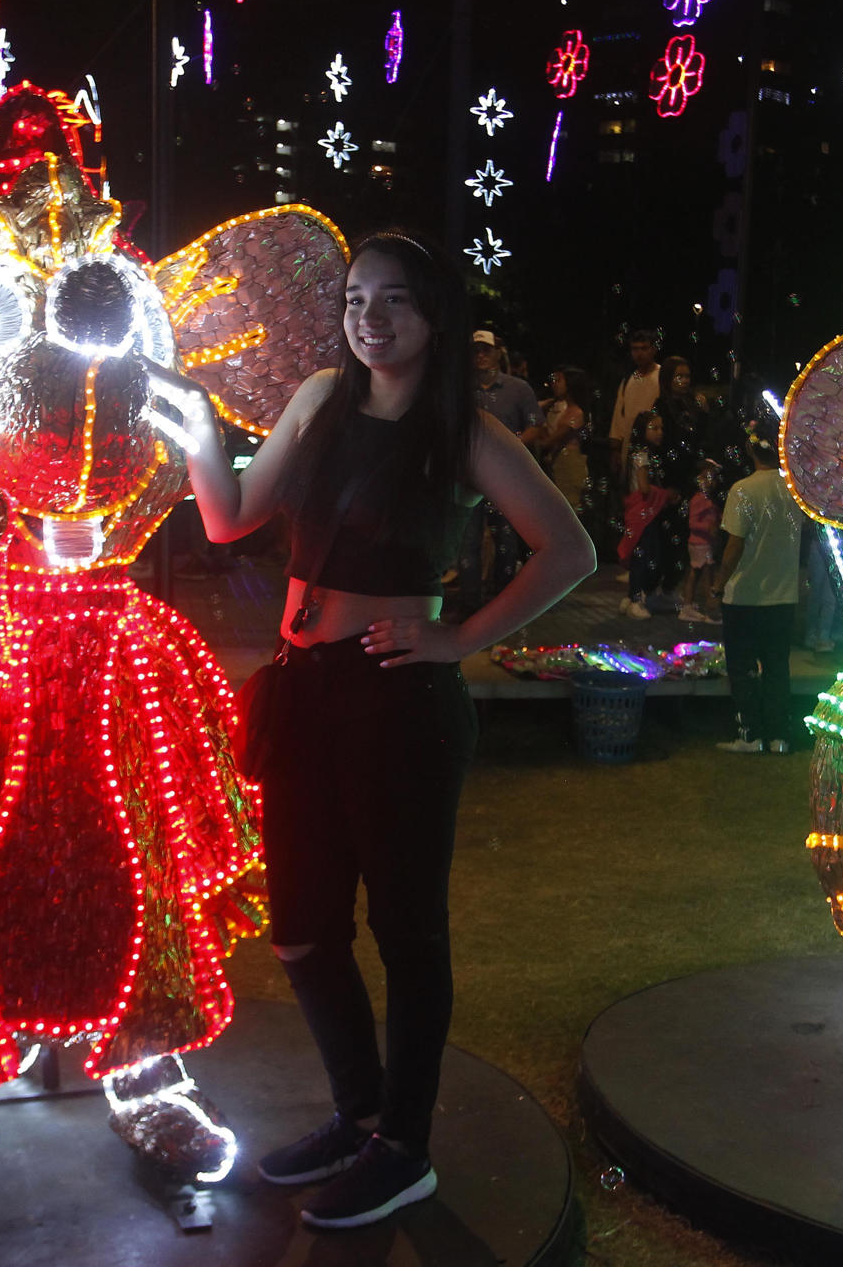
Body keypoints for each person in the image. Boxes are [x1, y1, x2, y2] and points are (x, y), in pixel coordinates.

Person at [163, 232, 593, 1229]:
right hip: (302, 688)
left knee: (407, 932)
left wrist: (460, 636)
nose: (370, 317)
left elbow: (567, 548)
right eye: (358, 298)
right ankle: (360, 1113)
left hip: (397, 699)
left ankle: (405, 1146)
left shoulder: (464, 431)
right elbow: (228, 518)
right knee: (303, 925)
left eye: (394, 301)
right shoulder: (319, 399)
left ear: (434, 317)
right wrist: (193, 429)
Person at [712, 427, 803, 752]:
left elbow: (734, 544)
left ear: (751, 452)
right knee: (778, 667)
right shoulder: (793, 490)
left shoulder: (743, 490)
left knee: (744, 668)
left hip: (746, 595)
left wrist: (718, 584)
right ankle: (779, 735)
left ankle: (749, 734)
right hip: (783, 594)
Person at [455, 330, 543, 617]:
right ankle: (470, 604)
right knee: (468, 540)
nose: (480, 355)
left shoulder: (518, 389)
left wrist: (511, 448)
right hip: (468, 476)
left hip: (507, 478)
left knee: (506, 539)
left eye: (486, 350)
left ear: (497, 353)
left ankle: (504, 602)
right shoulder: (461, 388)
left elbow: (535, 426)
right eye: (475, 350)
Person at [618, 409, 674, 619]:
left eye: (661, 428)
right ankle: (636, 600)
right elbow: (643, 488)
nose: (660, 432)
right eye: (654, 428)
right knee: (645, 556)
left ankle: (633, 596)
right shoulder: (642, 456)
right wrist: (664, 494)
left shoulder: (638, 454)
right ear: (642, 431)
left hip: (640, 513)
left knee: (642, 556)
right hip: (643, 514)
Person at [606, 329, 662, 486]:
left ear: (653, 349)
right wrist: (615, 450)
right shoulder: (628, 380)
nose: (639, 353)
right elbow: (619, 417)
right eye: (635, 349)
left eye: (644, 348)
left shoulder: (661, 376)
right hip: (630, 449)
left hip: (655, 448)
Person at [539, 366, 593, 516]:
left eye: (559, 380)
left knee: (569, 511)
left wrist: (537, 428)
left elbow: (549, 441)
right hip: (561, 464)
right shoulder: (567, 409)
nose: (555, 384)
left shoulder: (576, 413)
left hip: (570, 466)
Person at [679, 460, 721, 623]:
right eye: (708, 478)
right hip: (700, 543)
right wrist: (708, 527)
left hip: (703, 543)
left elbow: (715, 516)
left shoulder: (707, 499)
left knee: (694, 574)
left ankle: (688, 607)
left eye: (713, 478)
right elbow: (692, 523)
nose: (712, 482)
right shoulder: (698, 499)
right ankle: (710, 610)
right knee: (707, 576)